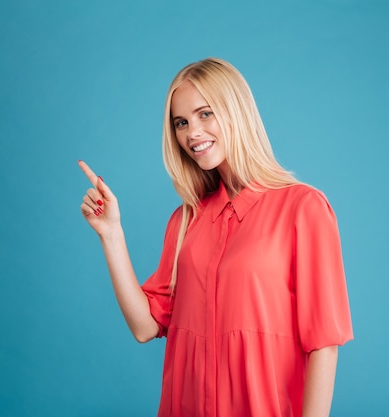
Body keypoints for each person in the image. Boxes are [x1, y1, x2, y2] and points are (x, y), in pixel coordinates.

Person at [78, 57, 353, 417]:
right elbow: (145, 327)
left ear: (235, 111)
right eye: (181, 122)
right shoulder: (185, 221)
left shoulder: (302, 207)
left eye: (204, 114)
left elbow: (324, 345)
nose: (192, 132)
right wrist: (111, 235)